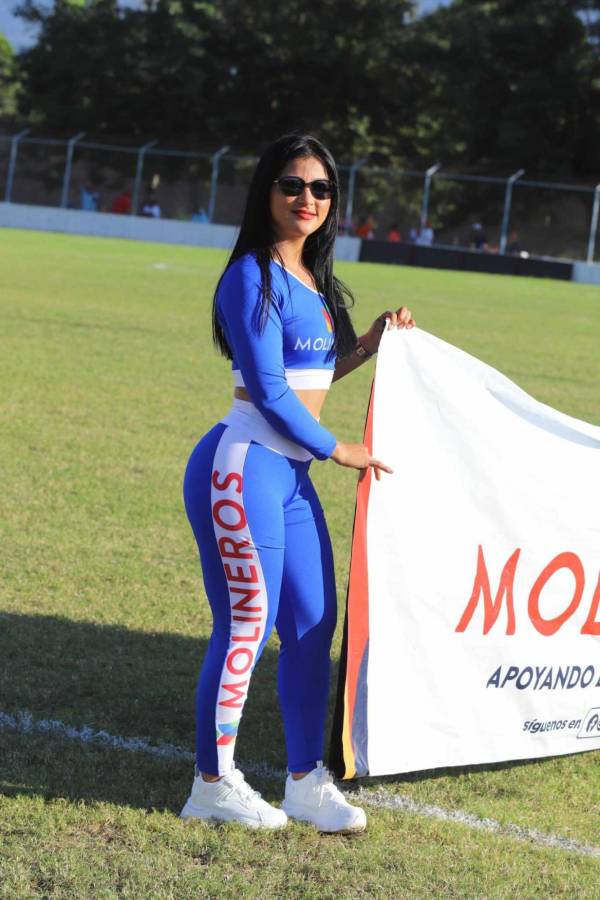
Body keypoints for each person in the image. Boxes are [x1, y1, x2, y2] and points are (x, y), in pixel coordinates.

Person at [180, 133, 415, 832]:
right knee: (246, 625)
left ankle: (306, 780)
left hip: (290, 476)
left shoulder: (314, 280)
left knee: (314, 627)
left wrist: (368, 344)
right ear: (266, 192)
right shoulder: (249, 274)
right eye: (291, 185)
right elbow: (269, 389)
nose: (306, 199)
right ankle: (210, 784)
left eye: (320, 189)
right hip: (243, 466)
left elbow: (313, 375)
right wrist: (337, 448)